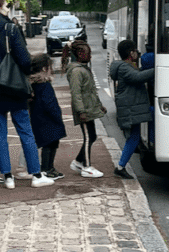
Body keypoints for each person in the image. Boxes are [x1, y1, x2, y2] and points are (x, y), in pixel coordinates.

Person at [0, 0, 55, 190]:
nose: (8, 8)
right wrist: (27, 75)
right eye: (6, 5)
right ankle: (36, 175)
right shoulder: (10, 28)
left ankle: (7, 177)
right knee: (25, 131)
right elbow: (24, 60)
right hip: (14, 87)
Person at [110, 40, 154, 179]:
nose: (138, 54)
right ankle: (120, 167)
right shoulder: (124, 68)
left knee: (133, 137)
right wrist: (158, 68)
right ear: (131, 53)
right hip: (130, 108)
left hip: (131, 107)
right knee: (133, 137)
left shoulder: (127, 66)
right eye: (136, 51)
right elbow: (138, 77)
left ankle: (121, 166)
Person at [63, 40, 107, 178]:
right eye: (88, 54)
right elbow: (76, 94)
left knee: (92, 136)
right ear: (80, 54)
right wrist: (81, 111)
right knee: (88, 137)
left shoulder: (83, 69)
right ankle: (87, 167)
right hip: (84, 111)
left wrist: (99, 105)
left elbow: (91, 91)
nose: (90, 57)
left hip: (89, 109)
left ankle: (78, 161)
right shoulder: (76, 71)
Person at [28, 53, 67, 180]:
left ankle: (49, 168)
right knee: (50, 144)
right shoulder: (44, 84)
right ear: (45, 69)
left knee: (50, 143)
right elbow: (49, 103)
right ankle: (47, 168)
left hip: (39, 118)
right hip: (48, 119)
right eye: (50, 67)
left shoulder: (34, 84)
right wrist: (57, 115)